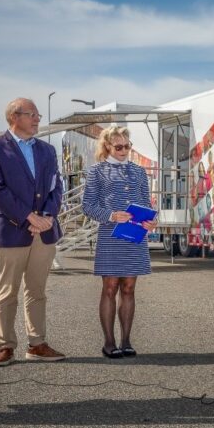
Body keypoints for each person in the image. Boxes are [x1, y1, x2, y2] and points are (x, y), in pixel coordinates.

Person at [0, 98, 66, 367]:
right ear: (14, 117)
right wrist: (29, 216)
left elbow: (57, 186)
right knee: (7, 292)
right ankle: (5, 346)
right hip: (11, 230)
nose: (38, 119)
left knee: (37, 290)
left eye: (38, 115)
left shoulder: (47, 150)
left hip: (44, 231)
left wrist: (48, 216)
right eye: (32, 114)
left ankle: (37, 344)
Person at [82, 126, 157, 358]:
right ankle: (109, 343)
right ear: (107, 146)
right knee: (110, 287)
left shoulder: (139, 171)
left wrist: (151, 222)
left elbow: (146, 203)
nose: (124, 150)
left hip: (135, 238)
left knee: (129, 288)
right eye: (119, 146)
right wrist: (111, 215)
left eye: (127, 145)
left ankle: (126, 341)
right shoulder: (96, 171)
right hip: (110, 237)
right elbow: (88, 206)